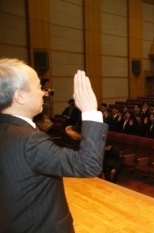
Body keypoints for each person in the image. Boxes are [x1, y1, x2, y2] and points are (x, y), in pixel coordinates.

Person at [0, 58, 108, 233]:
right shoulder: (29, 140)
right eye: (38, 87)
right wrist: (90, 112)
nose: (44, 92)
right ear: (20, 96)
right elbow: (89, 165)